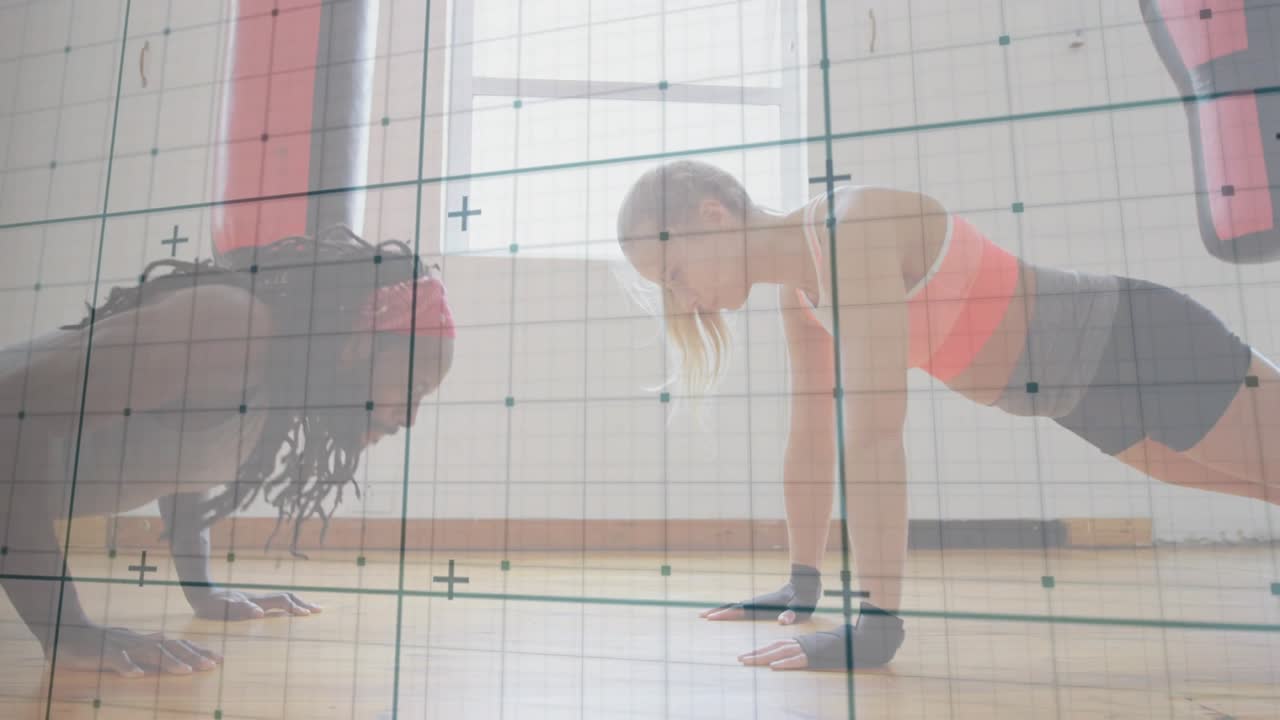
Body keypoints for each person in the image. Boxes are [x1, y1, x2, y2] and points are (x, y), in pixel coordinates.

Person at [615, 160, 1278, 670]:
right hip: (1081, 400)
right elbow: (811, 437)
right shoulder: (799, 295)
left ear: (714, 216)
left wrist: (878, 624)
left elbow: (873, 436)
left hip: (1137, 341)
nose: (687, 299)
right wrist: (803, 581)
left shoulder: (854, 226)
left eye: (674, 273)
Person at [0, 227, 455, 677]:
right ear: (362, 341)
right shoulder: (233, 327)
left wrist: (203, 589)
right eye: (414, 386)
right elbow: (6, 412)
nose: (410, 418)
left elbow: (179, 456)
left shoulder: (273, 386)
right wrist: (64, 627)